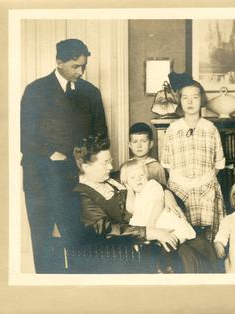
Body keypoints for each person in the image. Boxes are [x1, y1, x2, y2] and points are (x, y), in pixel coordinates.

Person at [20, 38, 108, 273]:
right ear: (59, 62)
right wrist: (52, 153)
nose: (81, 72)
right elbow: (26, 135)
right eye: (75, 66)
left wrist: (89, 162)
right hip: (41, 179)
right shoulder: (35, 91)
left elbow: (101, 136)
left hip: (77, 180)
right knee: (44, 241)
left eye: (84, 66)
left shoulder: (91, 93)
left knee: (80, 239)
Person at [74, 135, 218, 273]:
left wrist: (167, 195)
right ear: (86, 167)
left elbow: (152, 187)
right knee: (183, 258)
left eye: (110, 161)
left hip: (152, 235)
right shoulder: (81, 195)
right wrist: (150, 232)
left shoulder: (115, 178)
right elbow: (106, 228)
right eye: (105, 163)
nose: (111, 167)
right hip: (126, 249)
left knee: (203, 247)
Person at [161, 74, 226, 242]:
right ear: (180, 101)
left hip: (205, 188)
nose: (190, 102)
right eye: (185, 98)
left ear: (201, 100)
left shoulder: (210, 129)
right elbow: (167, 163)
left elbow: (218, 163)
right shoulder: (173, 129)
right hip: (180, 189)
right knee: (182, 234)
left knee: (208, 238)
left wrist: (204, 181)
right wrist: (182, 182)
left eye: (195, 97)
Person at [120, 159, 196, 244]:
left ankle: (178, 239)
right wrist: (129, 189)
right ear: (127, 182)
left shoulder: (151, 185)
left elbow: (158, 203)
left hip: (159, 218)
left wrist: (151, 224)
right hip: (149, 225)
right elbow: (131, 209)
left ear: (147, 176)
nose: (138, 179)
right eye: (132, 177)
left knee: (175, 234)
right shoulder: (136, 194)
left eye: (141, 175)